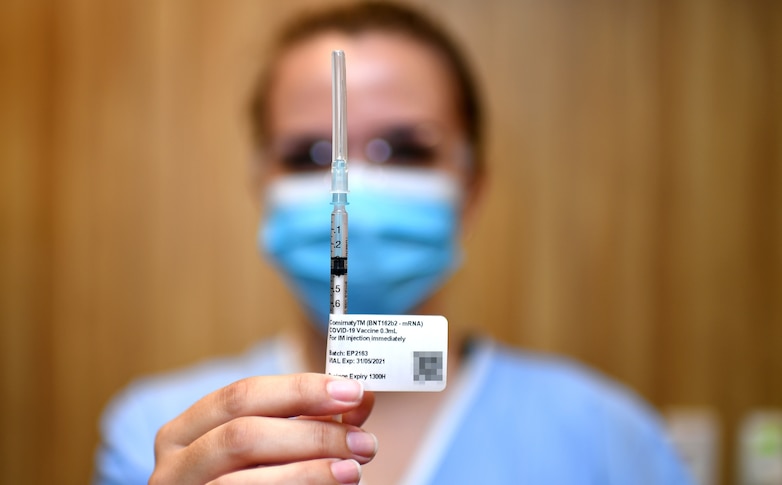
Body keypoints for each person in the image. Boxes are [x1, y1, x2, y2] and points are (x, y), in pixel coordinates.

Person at [94, 2, 693, 484]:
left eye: (404, 149)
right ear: (261, 187)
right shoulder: (159, 435)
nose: (348, 193)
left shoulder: (605, 440)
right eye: (311, 155)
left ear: (472, 189)